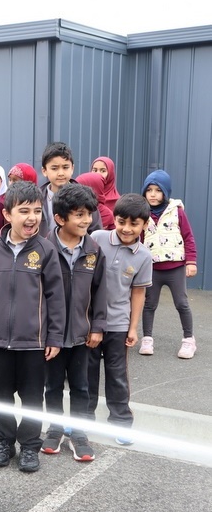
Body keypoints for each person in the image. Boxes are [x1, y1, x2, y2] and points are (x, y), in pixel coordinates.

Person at [0, 180, 66, 473]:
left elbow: (56, 297)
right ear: (7, 214)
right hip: (0, 341)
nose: (32, 218)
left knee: (31, 398)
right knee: (1, 397)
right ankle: (4, 441)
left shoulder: (46, 250)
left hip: (34, 343)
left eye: (38, 211)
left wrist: (53, 336)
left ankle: (29, 446)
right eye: (24, 211)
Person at [41, 184, 107, 462]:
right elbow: (39, 295)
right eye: (79, 215)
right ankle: (54, 429)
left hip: (82, 335)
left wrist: (98, 326)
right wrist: (44, 333)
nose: (86, 221)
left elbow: (101, 290)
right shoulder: (43, 249)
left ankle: (79, 434)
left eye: (88, 214)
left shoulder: (94, 250)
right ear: (60, 218)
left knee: (82, 386)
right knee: (52, 386)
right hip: (52, 338)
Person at [87, 194, 152, 444]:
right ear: (114, 219)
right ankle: (82, 420)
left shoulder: (144, 256)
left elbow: (138, 293)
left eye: (134, 224)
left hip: (118, 326)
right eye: (122, 221)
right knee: (87, 374)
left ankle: (121, 423)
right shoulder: (98, 238)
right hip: (91, 323)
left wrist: (133, 328)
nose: (126, 228)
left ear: (144, 225)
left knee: (117, 376)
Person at [138, 170, 198, 359]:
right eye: (149, 190)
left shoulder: (176, 210)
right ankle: (147, 338)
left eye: (158, 190)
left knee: (181, 303)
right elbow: (138, 240)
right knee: (149, 304)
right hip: (152, 269)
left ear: (166, 192)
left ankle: (189, 340)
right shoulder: (142, 213)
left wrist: (191, 261)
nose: (153, 194)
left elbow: (188, 237)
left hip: (176, 268)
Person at [41, 142, 102, 236]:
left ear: (72, 168)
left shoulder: (85, 197)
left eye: (65, 167)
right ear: (44, 171)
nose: (60, 173)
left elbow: (95, 232)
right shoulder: (37, 198)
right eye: (54, 168)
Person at [0, 162, 38, 240]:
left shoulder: (38, 202)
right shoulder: (3, 202)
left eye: (15, 180)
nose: (11, 183)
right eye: (10, 180)